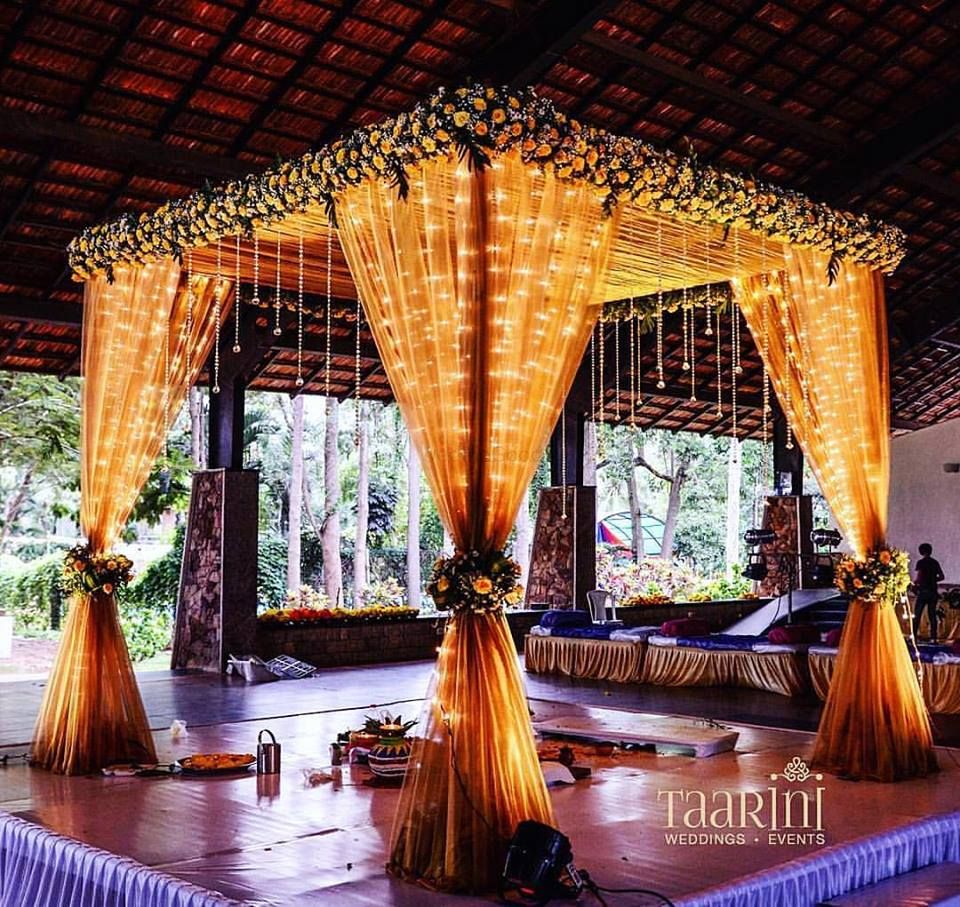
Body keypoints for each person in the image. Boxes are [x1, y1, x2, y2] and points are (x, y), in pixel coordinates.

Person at [913, 543, 944, 642]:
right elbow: (942, 576)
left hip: (923, 591)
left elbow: (919, 576)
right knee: (932, 615)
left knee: (917, 614)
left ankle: (914, 636)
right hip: (933, 592)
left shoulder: (921, 562)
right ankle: (933, 637)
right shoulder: (935, 562)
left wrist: (915, 584)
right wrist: (933, 580)